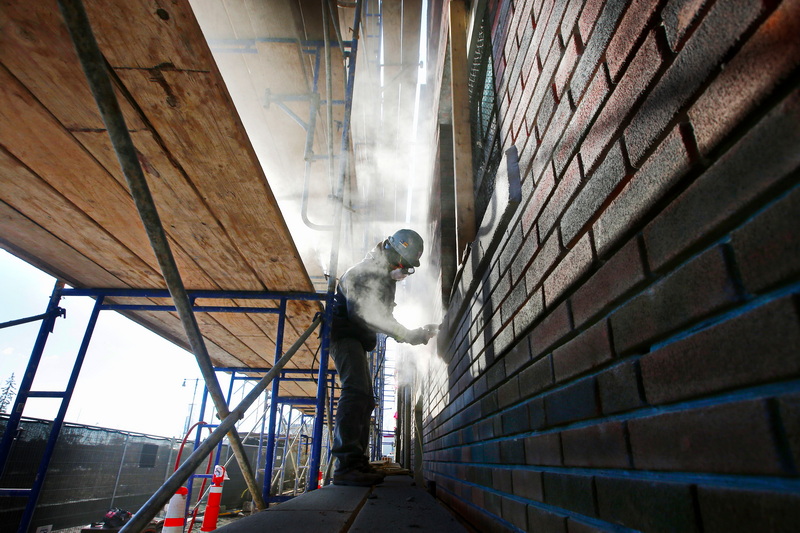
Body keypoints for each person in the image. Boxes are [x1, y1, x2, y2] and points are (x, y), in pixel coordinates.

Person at [329, 229, 438, 486]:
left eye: (408, 269)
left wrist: (413, 333)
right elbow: (366, 316)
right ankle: (345, 467)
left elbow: (382, 316)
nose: (404, 273)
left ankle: (357, 463)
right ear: (390, 253)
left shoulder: (383, 278)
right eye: (403, 266)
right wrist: (410, 335)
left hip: (355, 340)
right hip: (344, 337)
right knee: (355, 393)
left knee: (365, 399)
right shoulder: (361, 273)